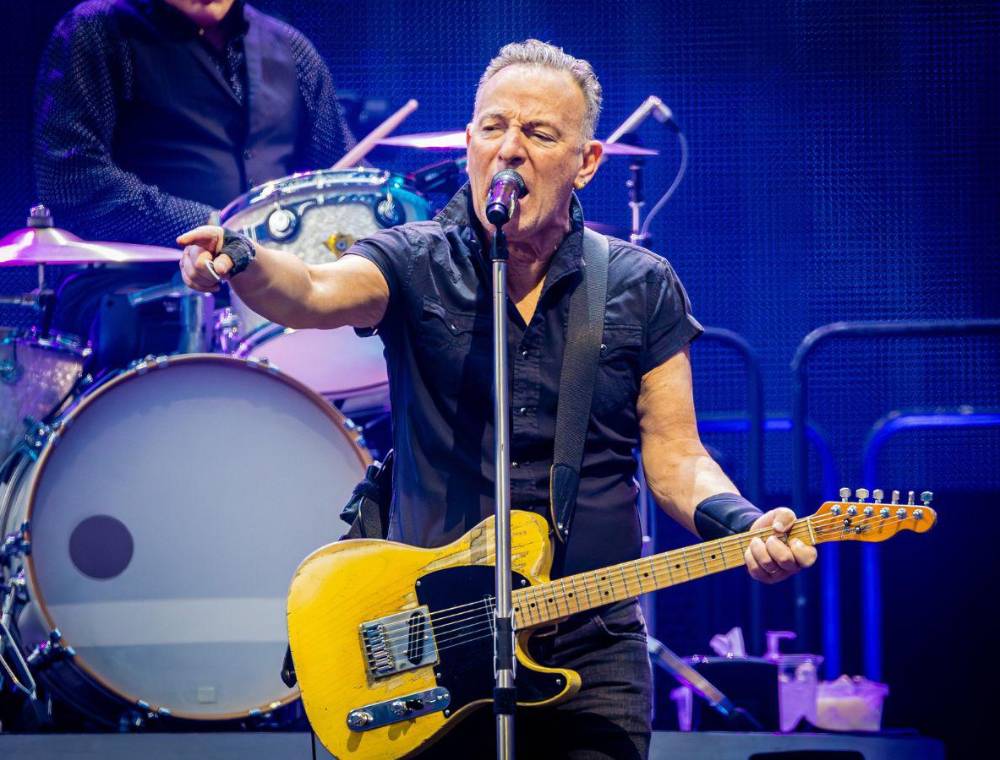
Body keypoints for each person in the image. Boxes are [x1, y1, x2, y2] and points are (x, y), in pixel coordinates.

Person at [179, 39, 816, 760]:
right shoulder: (412, 260)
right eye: (493, 127)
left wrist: (745, 523)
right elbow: (312, 291)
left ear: (587, 161)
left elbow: (677, 459)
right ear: (469, 142)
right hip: (432, 640)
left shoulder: (639, 284)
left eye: (539, 133)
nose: (509, 149)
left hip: (590, 641)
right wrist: (243, 258)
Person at [34, 0, 354, 247]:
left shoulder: (292, 49)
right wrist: (215, 226)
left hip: (272, 292)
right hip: (140, 290)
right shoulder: (98, 30)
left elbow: (342, 176)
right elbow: (72, 180)